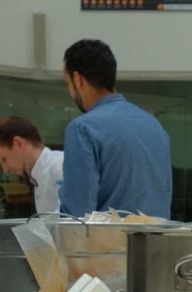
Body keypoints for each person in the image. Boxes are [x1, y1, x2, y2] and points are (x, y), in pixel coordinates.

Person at [59, 39, 172, 219]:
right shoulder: (155, 127)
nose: (70, 92)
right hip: (155, 244)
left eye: (67, 83)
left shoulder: (82, 129)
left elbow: (78, 215)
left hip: (107, 245)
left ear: (78, 79)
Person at [0, 116, 64, 214]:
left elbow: (71, 223)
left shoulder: (60, 165)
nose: (5, 169)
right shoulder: (36, 177)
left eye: (3, 159)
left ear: (19, 143)